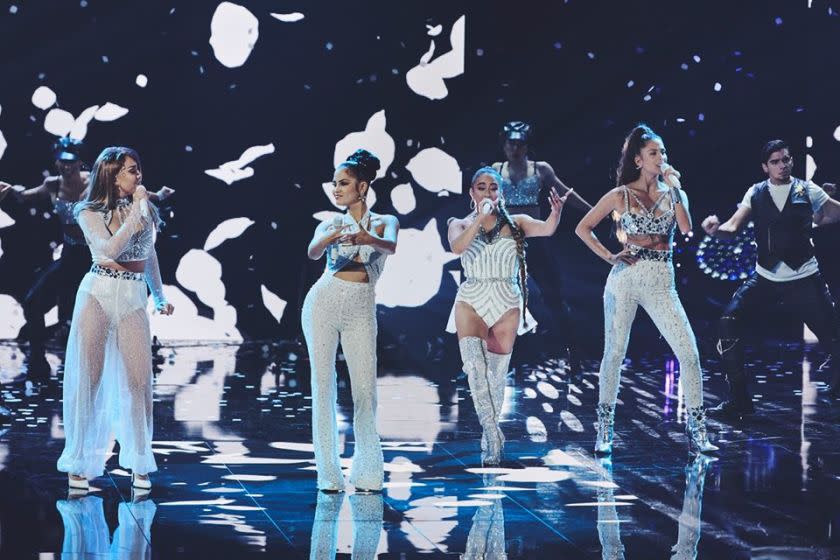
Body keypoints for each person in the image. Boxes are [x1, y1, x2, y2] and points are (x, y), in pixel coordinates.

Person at [575, 124, 718, 455]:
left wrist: (677, 190)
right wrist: (610, 257)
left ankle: (698, 432)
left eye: (664, 152)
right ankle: (605, 428)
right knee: (614, 354)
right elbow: (583, 228)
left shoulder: (674, 194)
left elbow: (685, 228)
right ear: (638, 160)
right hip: (625, 280)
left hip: (661, 281)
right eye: (654, 153)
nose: (661, 157)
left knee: (689, 353)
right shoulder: (619, 195)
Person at [0, 138, 174, 382]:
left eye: (70, 162)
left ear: (80, 163)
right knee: (33, 302)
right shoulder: (52, 185)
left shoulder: (95, 183)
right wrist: (8, 189)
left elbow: (131, 190)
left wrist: (158, 196)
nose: (65, 167)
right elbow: (25, 196)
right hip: (71, 256)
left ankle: (121, 362)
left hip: (96, 258)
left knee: (100, 314)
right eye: (61, 161)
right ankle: (38, 365)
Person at [56, 146, 174, 491]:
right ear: (112, 175)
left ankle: (139, 462)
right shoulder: (87, 210)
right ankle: (78, 461)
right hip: (99, 293)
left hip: (134, 294)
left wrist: (161, 295)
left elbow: (148, 254)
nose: (139, 176)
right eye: (132, 171)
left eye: (138, 170)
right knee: (88, 382)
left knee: (139, 382)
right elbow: (109, 251)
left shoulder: (143, 208)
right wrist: (137, 214)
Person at [701, 140, 840, 416]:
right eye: (776, 161)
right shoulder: (756, 192)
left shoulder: (806, 189)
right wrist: (715, 231)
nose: (783, 165)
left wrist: (824, 201)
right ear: (765, 167)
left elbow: (831, 215)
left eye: (786, 159)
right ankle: (739, 400)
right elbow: (731, 226)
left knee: (834, 340)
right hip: (766, 277)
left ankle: (836, 391)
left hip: (804, 277)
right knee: (729, 322)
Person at [448, 166, 568, 465]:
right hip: (472, 298)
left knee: (496, 376)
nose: (487, 192)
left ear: (501, 192)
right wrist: (479, 218)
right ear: (471, 193)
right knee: (475, 371)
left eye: (493, 188)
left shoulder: (518, 223)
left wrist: (556, 213)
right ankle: (492, 434)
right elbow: (456, 247)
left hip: (507, 299)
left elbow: (548, 228)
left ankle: (491, 436)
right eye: (481, 187)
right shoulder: (459, 224)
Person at [301, 149, 399, 493]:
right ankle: (328, 473)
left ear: (363, 186)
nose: (336, 189)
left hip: (360, 308)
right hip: (322, 304)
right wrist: (331, 236)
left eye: (343, 183)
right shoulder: (330, 223)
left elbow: (390, 246)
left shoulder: (385, 221)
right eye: (334, 184)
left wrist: (366, 238)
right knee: (322, 387)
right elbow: (313, 251)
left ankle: (368, 471)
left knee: (364, 392)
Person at [492, 121, 592, 378]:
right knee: (503, 300)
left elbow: (565, 193)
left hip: (535, 241)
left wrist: (595, 212)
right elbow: (482, 204)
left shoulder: (540, 169)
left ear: (526, 146)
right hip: (504, 243)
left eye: (519, 144)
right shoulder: (495, 170)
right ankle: (505, 358)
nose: (514, 148)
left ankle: (573, 354)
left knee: (553, 298)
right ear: (504, 145)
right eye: (510, 144)